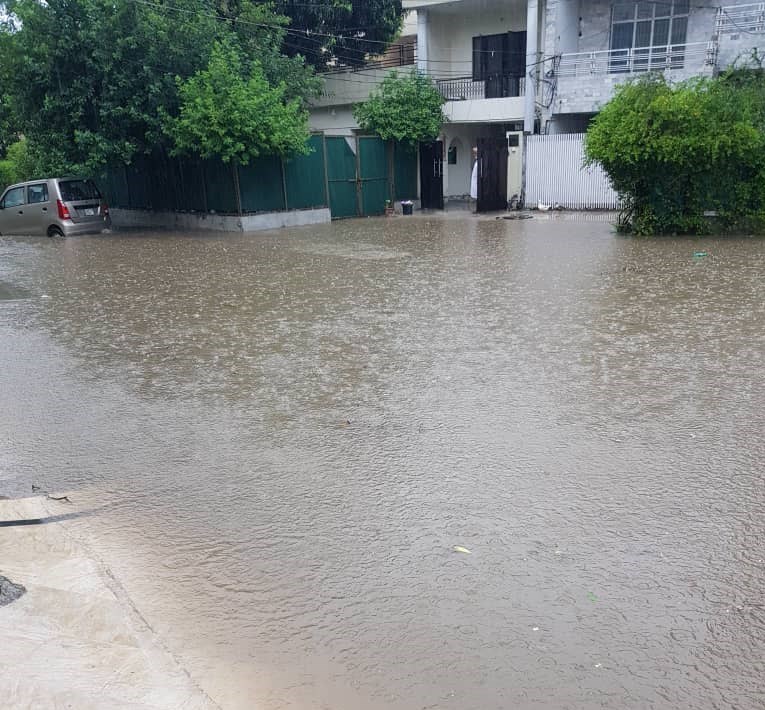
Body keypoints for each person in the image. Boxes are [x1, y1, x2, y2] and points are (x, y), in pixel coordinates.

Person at [470, 147, 478, 212]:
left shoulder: (478, 162)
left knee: (476, 195)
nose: (474, 154)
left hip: (477, 181)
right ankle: (476, 209)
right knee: (475, 195)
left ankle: (477, 209)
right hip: (475, 180)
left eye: (475, 153)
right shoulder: (476, 162)